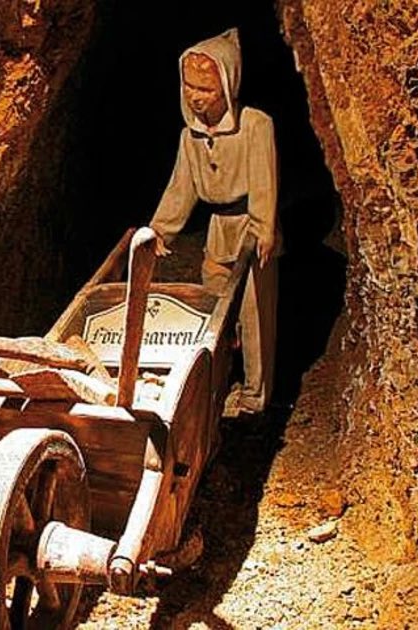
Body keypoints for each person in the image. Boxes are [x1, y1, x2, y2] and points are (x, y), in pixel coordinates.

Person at [149, 27, 281, 415]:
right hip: (219, 232)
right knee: (214, 313)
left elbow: (264, 179)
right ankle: (219, 385)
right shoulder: (190, 136)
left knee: (254, 318)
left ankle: (256, 396)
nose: (196, 96)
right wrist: (160, 229)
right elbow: (181, 187)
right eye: (190, 86)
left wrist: (264, 227)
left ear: (227, 85)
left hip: (249, 230)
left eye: (206, 89)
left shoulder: (255, 125)